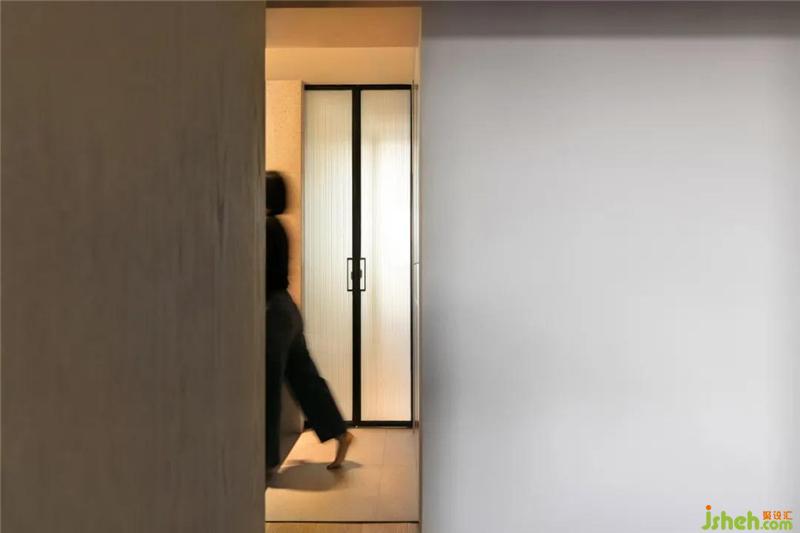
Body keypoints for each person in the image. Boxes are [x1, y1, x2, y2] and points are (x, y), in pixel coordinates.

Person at [265, 170, 353, 478]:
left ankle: (266, 460)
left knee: (269, 387)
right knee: (306, 379)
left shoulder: (264, 227)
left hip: (273, 312)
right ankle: (340, 432)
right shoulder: (279, 227)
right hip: (288, 310)